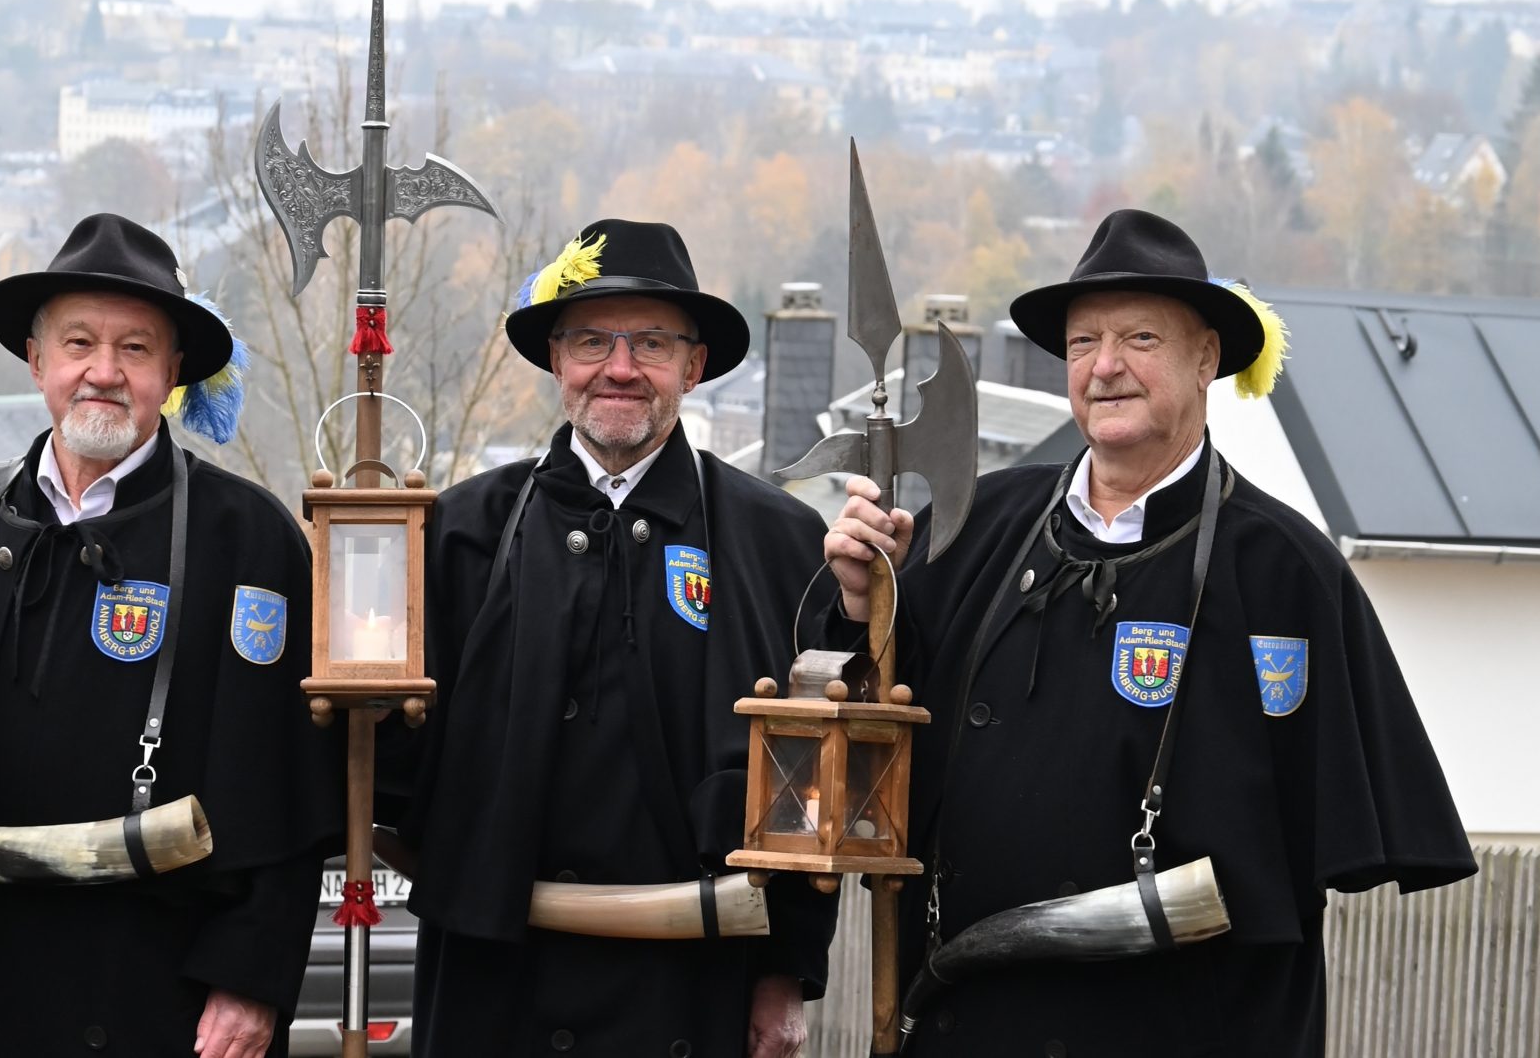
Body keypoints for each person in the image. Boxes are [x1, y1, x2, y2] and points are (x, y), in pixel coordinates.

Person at [825, 209, 1476, 1056]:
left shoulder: (1289, 575)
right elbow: (858, 731)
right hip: (973, 1024)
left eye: (1140, 338)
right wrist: (853, 601)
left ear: (1206, 357)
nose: (1106, 367)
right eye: (1085, 341)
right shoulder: (971, 528)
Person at [0, 214, 339, 1058]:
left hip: (152, 984)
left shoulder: (248, 540)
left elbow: (286, 786)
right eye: (79, 343)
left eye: (137, 349)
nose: (104, 373)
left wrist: (252, 975)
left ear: (174, 371)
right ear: (37, 361)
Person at [386, 219, 841, 1058]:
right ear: (556, 360)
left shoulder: (779, 542)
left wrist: (786, 972)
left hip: (693, 982)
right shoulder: (460, 532)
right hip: (495, 983)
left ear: (694, 366)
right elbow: (397, 771)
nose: (620, 368)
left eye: (652, 343)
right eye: (592, 339)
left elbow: (806, 781)